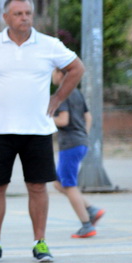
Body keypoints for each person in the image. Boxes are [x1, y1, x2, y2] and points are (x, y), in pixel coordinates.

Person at [0, 0, 85, 263]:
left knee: (38, 187)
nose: (24, 17)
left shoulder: (49, 45)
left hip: (37, 130)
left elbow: (76, 68)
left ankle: (40, 242)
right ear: (6, 18)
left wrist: (58, 98)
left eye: (28, 13)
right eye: (18, 13)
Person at [51, 70, 105, 238]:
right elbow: (88, 117)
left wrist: (43, 117)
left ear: (61, 74)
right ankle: (91, 209)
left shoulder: (62, 94)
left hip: (70, 145)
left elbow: (63, 120)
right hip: (80, 143)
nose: (51, 75)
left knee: (68, 185)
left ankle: (86, 225)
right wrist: (83, 135)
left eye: (53, 71)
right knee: (58, 183)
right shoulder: (76, 92)